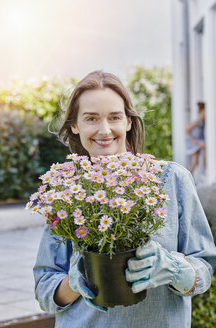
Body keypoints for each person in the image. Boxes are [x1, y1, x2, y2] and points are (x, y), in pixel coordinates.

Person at [33, 71, 216, 328]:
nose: (104, 130)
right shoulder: (66, 191)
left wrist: (172, 268)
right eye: (91, 118)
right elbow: (45, 287)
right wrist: (75, 283)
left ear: (129, 122)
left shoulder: (171, 179)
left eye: (115, 117)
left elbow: (204, 268)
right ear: (75, 125)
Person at [186, 102, 205, 174]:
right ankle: (188, 176)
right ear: (201, 112)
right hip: (193, 142)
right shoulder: (197, 122)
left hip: (198, 141)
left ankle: (190, 175)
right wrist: (193, 140)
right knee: (195, 162)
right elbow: (187, 130)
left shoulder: (203, 122)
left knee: (196, 162)